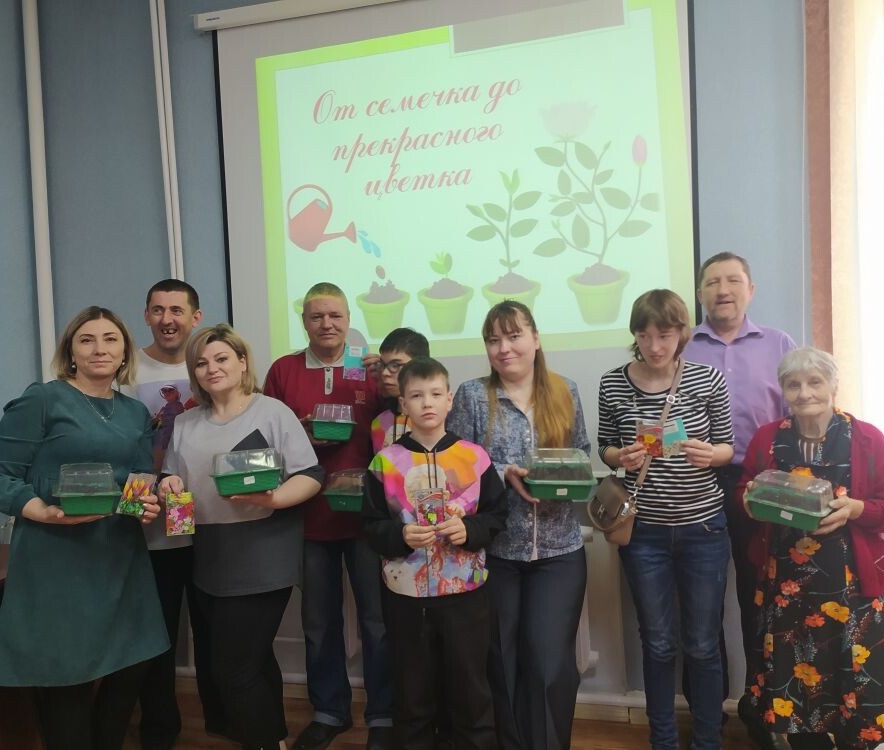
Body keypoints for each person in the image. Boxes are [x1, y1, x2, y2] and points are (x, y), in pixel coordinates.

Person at [0, 306, 168, 750]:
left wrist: (145, 504)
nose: (99, 348)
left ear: (124, 351)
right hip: (56, 560)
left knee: (133, 664)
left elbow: (138, 478)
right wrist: (41, 511)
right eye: (87, 339)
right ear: (70, 352)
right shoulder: (43, 399)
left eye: (110, 339)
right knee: (65, 676)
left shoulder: (135, 412)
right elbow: (2, 474)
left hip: (120, 558)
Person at [158, 323, 323, 750]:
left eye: (221, 358)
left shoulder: (271, 411)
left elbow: (310, 475)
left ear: (243, 362)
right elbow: (172, 477)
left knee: (233, 669)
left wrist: (274, 498)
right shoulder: (186, 422)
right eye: (201, 363)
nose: (211, 368)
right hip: (208, 557)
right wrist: (167, 484)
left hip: (264, 553)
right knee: (253, 660)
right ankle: (275, 740)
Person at [447, 299, 591, 750]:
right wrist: (504, 471)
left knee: (550, 666)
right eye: (493, 340)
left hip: (559, 551)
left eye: (513, 336)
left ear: (535, 338)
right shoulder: (472, 395)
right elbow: (455, 469)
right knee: (502, 664)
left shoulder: (565, 390)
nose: (504, 348)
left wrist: (564, 476)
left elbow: (582, 454)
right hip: (495, 553)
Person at [597, 289, 734, 750]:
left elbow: (727, 446)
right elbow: (605, 446)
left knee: (703, 643)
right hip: (643, 534)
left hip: (704, 528)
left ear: (681, 333)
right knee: (657, 643)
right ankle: (663, 741)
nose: (654, 346)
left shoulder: (707, 378)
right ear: (635, 335)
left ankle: (708, 742)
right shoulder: (613, 384)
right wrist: (622, 456)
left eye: (664, 335)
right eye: (644, 335)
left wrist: (710, 454)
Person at [264, 282, 393, 750]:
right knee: (318, 623)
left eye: (335, 315)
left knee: (378, 622)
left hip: (367, 518)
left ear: (348, 318)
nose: (327, 324)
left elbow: (397, 428)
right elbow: (265, 436)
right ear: (304, 321)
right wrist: (298, 436)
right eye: (317, 316)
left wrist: (391, 385)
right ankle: (329, 711)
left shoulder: (368, 368)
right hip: (307, 517)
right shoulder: (283, 370)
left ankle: (383, 716)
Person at [737, 348, 884, 750]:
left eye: (815, 382)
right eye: (793, 384)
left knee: (854, 679)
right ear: (783, 390)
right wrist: (748, 500)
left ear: (833, 385)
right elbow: (744, 488)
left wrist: (857, 509)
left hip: (852, 589)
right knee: (796, 680)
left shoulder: (868, 438)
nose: (804, 393)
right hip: (786, 586)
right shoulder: (768, 438)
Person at [363, 356, 507, 749]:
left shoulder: (474, 457)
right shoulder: (384, 463)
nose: (427, 402)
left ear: (449, 400)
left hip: (466, 595)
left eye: (435, 394)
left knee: (471, 690)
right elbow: (371, 526)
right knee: (412, 694)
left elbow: (497, 515)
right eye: (416, 396)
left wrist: (470, 529)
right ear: (403, 404)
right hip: (406, 597)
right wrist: (401, 535)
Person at [683, 252, 797, 678]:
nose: (723, 290)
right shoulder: (682, 346)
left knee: (759, 597)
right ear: (700, 294)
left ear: (750, 290)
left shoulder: (779, 344)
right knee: (700, 606)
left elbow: (797, 416)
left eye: (733, 281)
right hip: (695, 485)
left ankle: (759, 702)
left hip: (761, 487)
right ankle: (707, 707)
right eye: (713, 282)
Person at [124, 278, 224, 749]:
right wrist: (132, 509)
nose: (167, 319)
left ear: (195, 317)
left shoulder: (212, 363)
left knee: (214, 632)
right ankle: (159, 729)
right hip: (148, 529)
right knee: (157, 634)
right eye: (158, 310)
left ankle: (225, 722)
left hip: (205, 524)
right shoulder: (126, 368)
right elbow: (122, 446)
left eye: (177, 310)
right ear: (146, 315)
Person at [370, 327, 430, 454]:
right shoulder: (379, 423)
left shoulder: (436, 417)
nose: (385, 373)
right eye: (382, 365)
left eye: (395, 365)